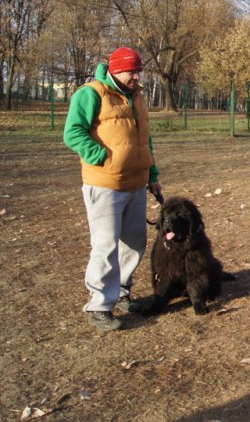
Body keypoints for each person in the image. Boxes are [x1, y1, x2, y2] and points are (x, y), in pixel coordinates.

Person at [64, 47, 161, 330]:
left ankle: (119, 292)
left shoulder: (139, 96)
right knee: (105, 245)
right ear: (115, 70)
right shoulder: (92, 93)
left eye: (139, 71)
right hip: (105, 184)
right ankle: (98, 305)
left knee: (134, 242)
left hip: (137, 183)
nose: (136, 76)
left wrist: (152, 173)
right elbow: (73, 132)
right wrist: (102, 157)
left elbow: (145, 140)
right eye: (131, 71)